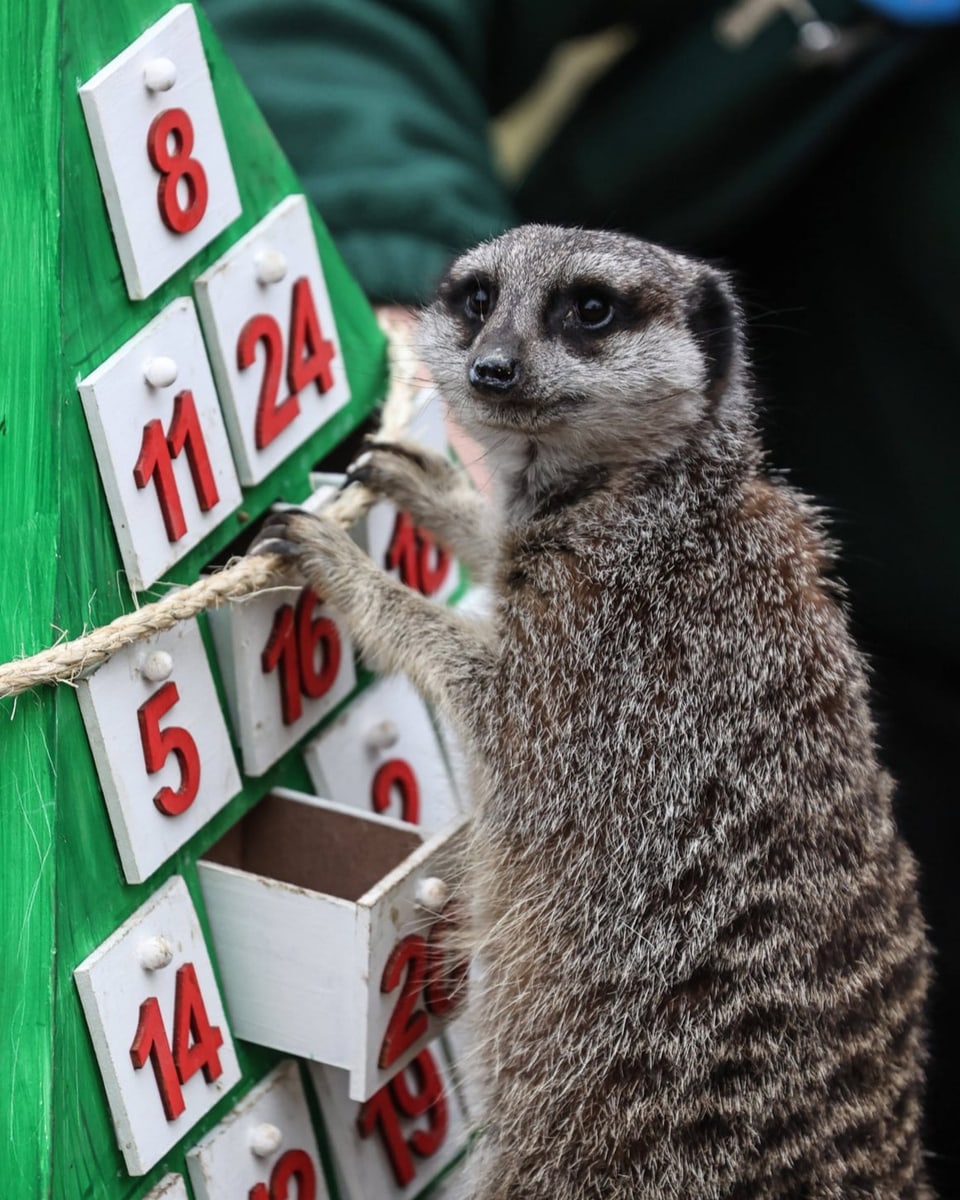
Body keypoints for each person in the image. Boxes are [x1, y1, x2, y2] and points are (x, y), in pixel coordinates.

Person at [202, 1, 960, 1191]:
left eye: (586, 318)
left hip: (637, 1117)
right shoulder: (696, 544)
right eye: (475, 309)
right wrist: (449, 501)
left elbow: (515, 704)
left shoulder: (678, 559)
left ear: (703, 348)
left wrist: (351, 577)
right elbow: (559, 599)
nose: (502, 356)